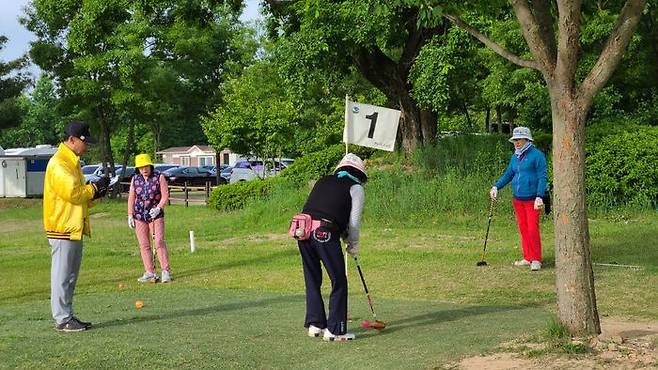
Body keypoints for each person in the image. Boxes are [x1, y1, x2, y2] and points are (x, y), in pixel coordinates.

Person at [43, 121, 110, 332]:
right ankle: (62, 318)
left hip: (72, 225)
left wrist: (97, 193)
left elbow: (79, 196)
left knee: (69, 276)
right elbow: (72, 193)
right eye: (84, 142)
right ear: (71, 140)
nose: (87, 146)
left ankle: (67, 316)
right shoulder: (60, 163)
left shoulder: (72, 162)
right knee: (62, 276)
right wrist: (93, 188)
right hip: (62, 226)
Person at [297, 153, 367, 341]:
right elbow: (354, 222)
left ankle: (315, 324)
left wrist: (343, 236)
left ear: (340, 168)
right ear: (360, 173)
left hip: (302, 230)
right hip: (324, 233)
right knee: (339, 281)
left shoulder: (323, 180)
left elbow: (323, 209)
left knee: (312, 278)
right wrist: (353, 243)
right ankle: (335, 330)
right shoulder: (356, 187)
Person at [489, 127, 548, 271]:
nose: (516, 142)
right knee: (523, 228)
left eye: (519, 139)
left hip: (533, 199)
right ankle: (527, 257)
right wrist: (496, 186)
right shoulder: (515, 157)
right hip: (518, 199)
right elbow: (509, 174)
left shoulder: (537, 155)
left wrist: (540, 196)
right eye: (514, 140)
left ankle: (536, 259)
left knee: (532, 228)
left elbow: (542, 177)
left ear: (527, 140)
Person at [127, 153, 172, 283]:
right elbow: (131, 197)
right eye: (141, 168)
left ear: (150, 166)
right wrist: (130, 214)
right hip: (139, 215)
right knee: (144, 244)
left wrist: (159, 207)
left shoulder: (159, 177)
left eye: (146, 166)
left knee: (158, 241)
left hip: (155, 215)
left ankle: (165, 271)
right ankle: (149, 271)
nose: (144, 170)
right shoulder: (135, 179)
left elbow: (165, 196)